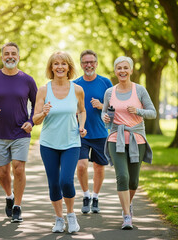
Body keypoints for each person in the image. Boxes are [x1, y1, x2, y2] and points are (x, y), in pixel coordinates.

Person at [0, 42, 37, 223]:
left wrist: (31, 121)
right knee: (3, 173)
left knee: (18, 169)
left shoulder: (27, 80)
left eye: (13, 53)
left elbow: (37, 104)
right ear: (2, 57)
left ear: (18, 56)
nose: (10, 56)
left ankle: (17, 206)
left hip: (21, 132)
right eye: (7, 53)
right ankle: (9, 196)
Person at [33, 51, 87, 233]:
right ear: (51, 67)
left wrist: (82, 126)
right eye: (56, 64)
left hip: (71, 142)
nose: (60, 67)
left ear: (69, 67)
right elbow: (35, 120)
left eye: (64, 64)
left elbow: (82, 111)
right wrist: (44, 112)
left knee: (66, 181)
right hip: (49, 143)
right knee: (54, 183)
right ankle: (58, 218)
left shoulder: (77, 90)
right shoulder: (44, 90)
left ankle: (71, 215)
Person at [102, 56, 156, 230]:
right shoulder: (109, 92)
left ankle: (128, 204)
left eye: (126, 68)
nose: (122, 71)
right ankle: (127, 215)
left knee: (133, 181)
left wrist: (138, 111)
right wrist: (104, 119)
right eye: (119, 68)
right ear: (115, 71)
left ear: (131, 70)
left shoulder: (139, 90)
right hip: (115, 138)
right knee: (122, 177)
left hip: (136, 139)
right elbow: (106, 117)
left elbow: (153, 113)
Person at [73, 50, 113, 214]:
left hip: (101, 134)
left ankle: (96, 196)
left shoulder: (105, 82)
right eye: (85, 62)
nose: (88, 65)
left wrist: (101, 105)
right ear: (81, 64)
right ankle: (86, 195)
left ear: (96, 63)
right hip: (81, 132)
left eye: (91, 62)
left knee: (99, 167)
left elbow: (114, 109)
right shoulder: (74, 84)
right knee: (81, 166)